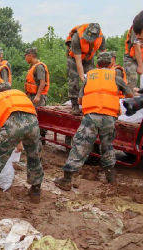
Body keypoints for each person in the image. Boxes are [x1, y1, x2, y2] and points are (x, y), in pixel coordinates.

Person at [54, 52, 133, 191]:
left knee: (80, 146)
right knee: (107, 147)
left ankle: (66, 180)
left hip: (91, 117)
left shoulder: (89, 76)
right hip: (109, 118)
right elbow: (130, 94)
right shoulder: (116, 75)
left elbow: (79, 100)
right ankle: (111, 179)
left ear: (97, 64)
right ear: (111, 64)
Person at [66, 23, 106, 115]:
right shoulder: (76, 38)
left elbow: (104, 57)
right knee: (74, 79)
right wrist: (82, 77)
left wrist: (102, 73)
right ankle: (75, 105)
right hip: (74, 58)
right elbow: (78, 62)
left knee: (92, 79)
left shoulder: (101, 38)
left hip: (89, 57)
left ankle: (90, 103)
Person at [124, 11, 143, 89]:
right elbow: (137, 46)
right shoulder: (135, 29)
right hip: (131, 58)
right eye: (136, 33)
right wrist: (140, 66)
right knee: (132, 81)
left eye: (140, 33)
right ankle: (131, 97)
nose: (137, 36)